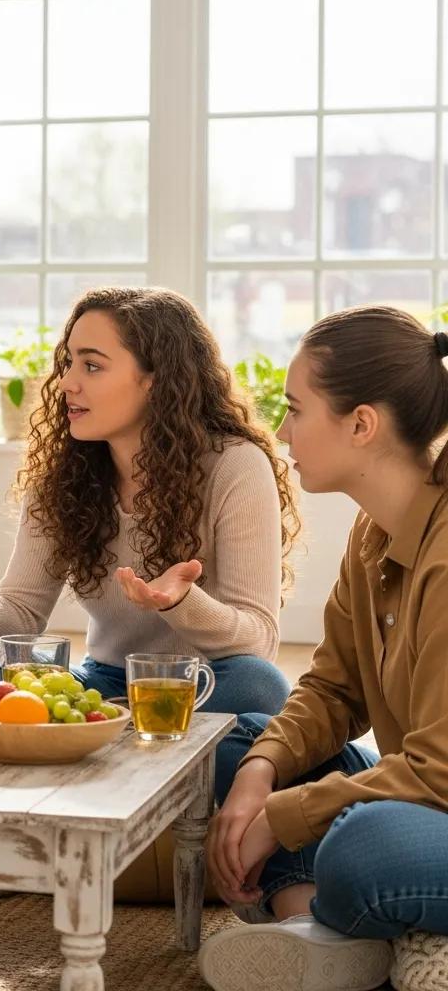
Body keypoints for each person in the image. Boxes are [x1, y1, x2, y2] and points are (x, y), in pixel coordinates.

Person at [0, 287, 298, 717]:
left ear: (156, 381)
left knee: (259, 687)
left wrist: (180, 602)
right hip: (96, 684)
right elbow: (19, 616)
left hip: (198, 684)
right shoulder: (65, 474)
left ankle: (95, 735)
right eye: (69, 363)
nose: (65, 384)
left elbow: (257, 640)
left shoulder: (235, 465)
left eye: (91, 366)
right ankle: (121, 733)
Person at [200, 306, 448, 991]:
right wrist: (262, 771)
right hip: (421, 791)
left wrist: (283, 818)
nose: (281, 433)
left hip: (434, 796)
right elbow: (334, 691)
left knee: (362, 849)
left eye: (294, 409)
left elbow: (440, 772)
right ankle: (317, 932)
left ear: (361, 424)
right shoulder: (372, 534)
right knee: (234, 740)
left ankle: (343, 922)